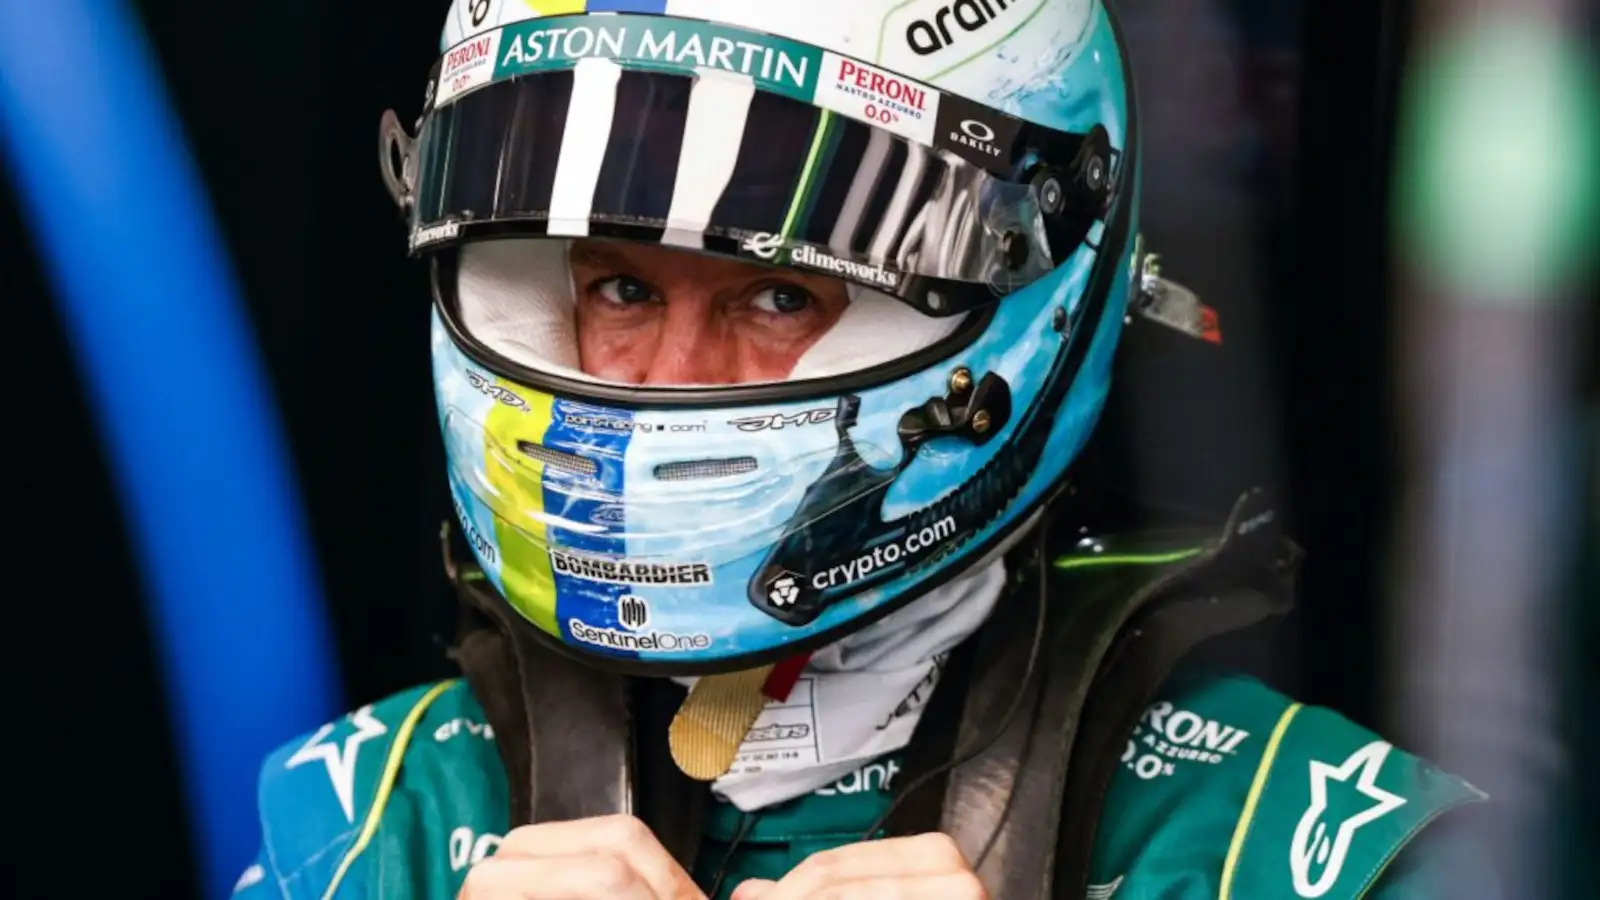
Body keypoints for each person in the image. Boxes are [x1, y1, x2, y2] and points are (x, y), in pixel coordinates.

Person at [232, 1, 1499, 897]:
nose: (673, 378)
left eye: (777, 295)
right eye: (617, 290)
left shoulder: (1298, 843)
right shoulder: (371, 827)